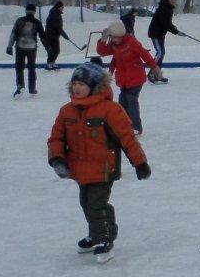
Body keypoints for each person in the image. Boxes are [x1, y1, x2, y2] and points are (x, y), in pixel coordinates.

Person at [47, 62, 150, 260]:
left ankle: (104, 239)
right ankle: (98, 234)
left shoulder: (110, 109)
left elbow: (127, 138)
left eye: (82, 84)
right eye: (75, 83)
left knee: (96, 204)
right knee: (86, 203)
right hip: (79, 169)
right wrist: (57, 159)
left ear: (94, 86)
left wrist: (139, 163)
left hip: (103, 169)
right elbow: (56, 138)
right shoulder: (66, 111)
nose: (77, 88)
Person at [96, 17, 164, 134]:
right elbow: (102, 52)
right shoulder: (113, 44)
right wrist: (103, 39)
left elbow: (144, 54)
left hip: (136, 77)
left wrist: (155, 68)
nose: (117, 40)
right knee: (122, 102)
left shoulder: (131, 42)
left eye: (119, 37)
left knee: (131, 100)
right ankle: (125, 124)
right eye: (114, 37)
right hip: (123, 80)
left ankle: (137, 127)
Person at [7, 3, 44, 97]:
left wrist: (9, 46)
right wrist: (48, 47)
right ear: (35, 12)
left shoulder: (19, 21)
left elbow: (13, 34)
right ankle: (32, 89)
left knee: (19, 68)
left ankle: (20, 86)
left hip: (20, 47)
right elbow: (43, 36)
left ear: (26, 10)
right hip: (32, 48)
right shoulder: (37, 22)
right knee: (31, 68)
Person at [147, 0, 180, 68]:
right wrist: (176, 32)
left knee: (162, 53)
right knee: (160, 53)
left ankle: (157, 74)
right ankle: (154, 72)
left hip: (160, 34)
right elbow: (165, 24)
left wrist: (175, 29)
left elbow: (168, 23)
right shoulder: (164, 8)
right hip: (155, 34)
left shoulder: (168, 8)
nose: (174, 0)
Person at [43, 1, 70, 70]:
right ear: (58, 7)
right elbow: (57, 27)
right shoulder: (54, 15)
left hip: (55, 35)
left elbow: (59, 27)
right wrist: (65, 35)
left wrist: (63, 35)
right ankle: (49, 64)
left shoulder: (57, 14)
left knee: (56, 50)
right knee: (52, 50)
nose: (63, 8)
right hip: (50, 35)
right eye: (62, 7)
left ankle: (52, 63)